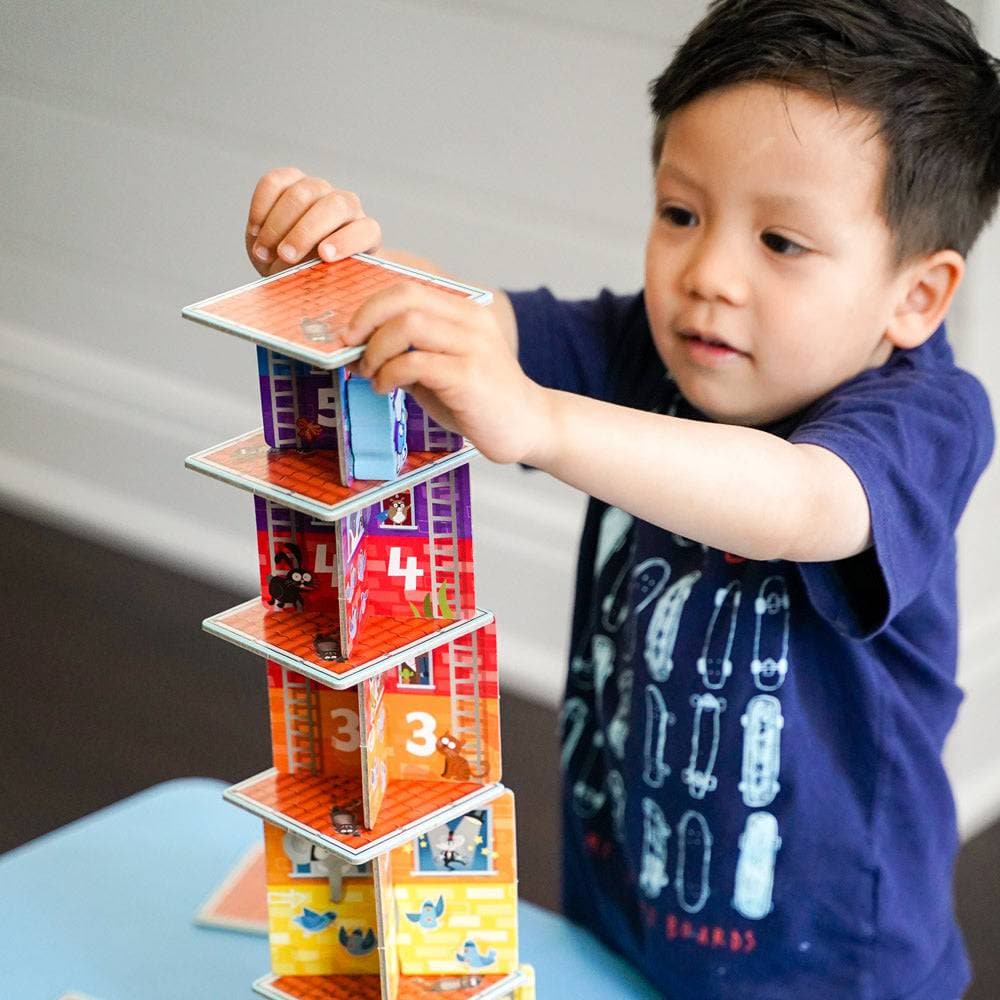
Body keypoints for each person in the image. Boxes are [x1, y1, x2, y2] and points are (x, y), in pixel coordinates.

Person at [242, 1, 1000, 995]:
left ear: (916, 296)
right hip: (620, 913)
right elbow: (470, 327)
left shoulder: (927, 414)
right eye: (681, 214)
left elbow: (808, 501)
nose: (709, 275)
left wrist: (542, 421)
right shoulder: (650, 347)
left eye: (780, 242)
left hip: (834, 968)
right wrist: (350, 275)